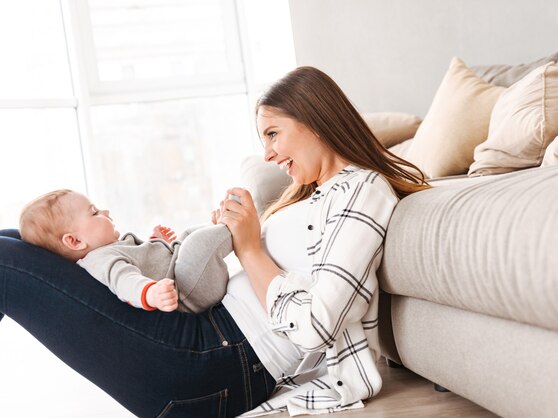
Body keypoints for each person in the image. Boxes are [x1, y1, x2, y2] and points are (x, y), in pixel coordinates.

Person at [0, 66, 428, 418]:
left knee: (5, 259)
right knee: (14, 238)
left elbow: (316, 325)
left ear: (314, 121)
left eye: (273, 134)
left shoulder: (363, 191)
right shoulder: (312, 193)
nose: (268, 155)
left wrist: (249, 247)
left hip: (215, 361)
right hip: (206, 339)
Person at [19, 189, 232, 313]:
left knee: (188, 236)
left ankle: (224, 227)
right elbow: (125, 281)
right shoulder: (99, 261)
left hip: (180, 273)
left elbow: (140, 261)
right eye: (94, 213)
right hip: (186, 295)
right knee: (197, 244)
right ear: (75, 241)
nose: (105, 211)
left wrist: (155, 242)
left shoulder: (107, 249)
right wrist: (150, 294)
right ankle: (234, 228)